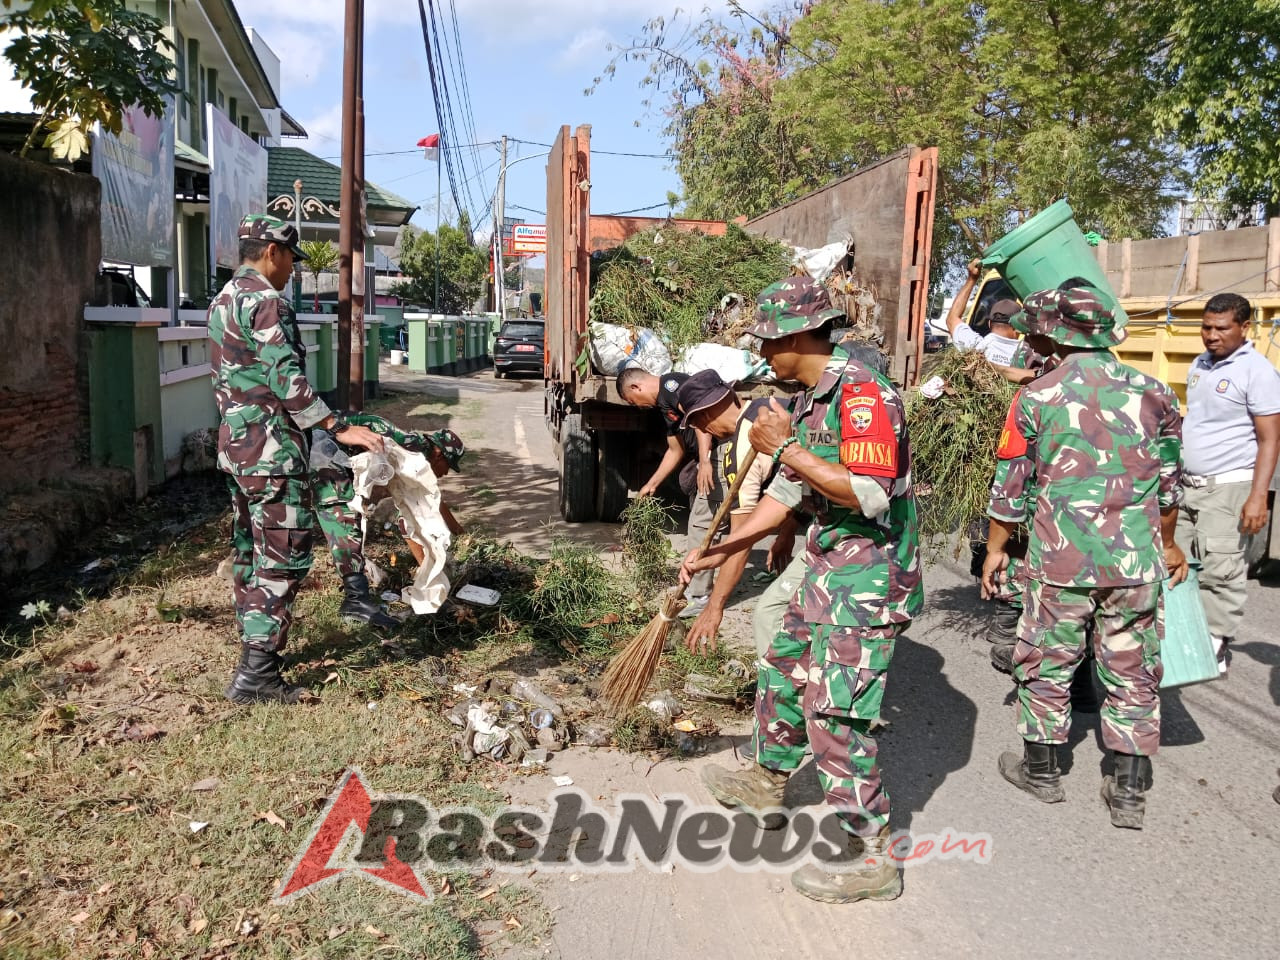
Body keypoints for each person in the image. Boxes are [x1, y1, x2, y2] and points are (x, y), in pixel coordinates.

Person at [682, 276, 923, 903]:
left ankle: (875, 854)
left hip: (867, 581)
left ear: (795, 336)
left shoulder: (864, 395)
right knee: (784, 671)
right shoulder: (813, 399)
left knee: (838, 716)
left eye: (766, 344)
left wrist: (784, 445)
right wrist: (719, 551)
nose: (762, 357)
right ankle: (768, 780)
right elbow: (790, 495)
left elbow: (866, 493)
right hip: (825, 572)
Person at [981, 281, 1188, 830]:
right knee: (1132, 668)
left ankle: (1041, 772)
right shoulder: (1156, 392)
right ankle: (1129, 791)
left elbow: (1009, 491)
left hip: (1060, 561)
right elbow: (1170, 488)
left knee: (1047, 661)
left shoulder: (1036, 396)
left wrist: (995, 553)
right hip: (1135, 563)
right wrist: (1167, 544)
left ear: (1053, 333)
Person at [208, 213, 385, 706]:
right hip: (271, 454)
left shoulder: (222, 300)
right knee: (283, 558)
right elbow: (287, 378)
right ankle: (256, 675)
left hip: (236, 451)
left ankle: (253, 650)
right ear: (272, 252)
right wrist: (335, 426)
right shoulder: (265, 301)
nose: (292, 270)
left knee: (249, 551)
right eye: (290, 259)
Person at [1177, 293, 1280, 674]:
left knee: (1221, 567)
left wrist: (1258, 498)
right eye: (1206, 327)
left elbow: (1271, 439)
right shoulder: (1200, 364)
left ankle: (1216, 644)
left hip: (1229, 486)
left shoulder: (1258, 371)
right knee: (1181, 562)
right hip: (1188, 484)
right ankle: (1186, 635)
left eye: (1222, 328)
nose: (1211, 335)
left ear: (1244, 328)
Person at [672, 371, 802, 654]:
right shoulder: (765, 406)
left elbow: (742, 538)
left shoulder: (741, 449)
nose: (703, 430)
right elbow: (790, 476)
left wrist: (714, 607)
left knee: (774, 613)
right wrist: (788, 529)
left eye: (696, 423)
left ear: (703, 418)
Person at [312, 417, 465, 629]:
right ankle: (355, 601)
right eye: (447, 465)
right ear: (438, 453)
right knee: (344, 517)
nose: (446, 472)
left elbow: (432, 501)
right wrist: (430, 571)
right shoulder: (412, 455)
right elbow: (407, 519)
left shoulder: (413, 447)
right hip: (324, 452)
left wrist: (460, 532)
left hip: (328, 447)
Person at [618, 367, 716, 616]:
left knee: (700, 526)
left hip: (717, 455)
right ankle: (697, 585)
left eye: (633, 402)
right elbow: (675, 450)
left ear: (635, 388)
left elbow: (703, 418)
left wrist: (705, 461)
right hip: (703, 458)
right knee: (703, 520)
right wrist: (651, 484)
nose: (638, 406)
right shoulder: (664, 406)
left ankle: (699, 596)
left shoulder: (673, 387)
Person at [947, 258, 1042, 384]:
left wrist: (971, 279)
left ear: (989, 323)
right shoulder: (1030, 355)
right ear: (1017, 328)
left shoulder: (975, 347)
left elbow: (952, 319)